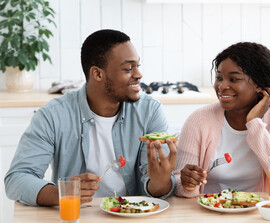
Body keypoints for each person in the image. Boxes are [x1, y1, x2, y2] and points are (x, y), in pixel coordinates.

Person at [4, 29, 176, 206]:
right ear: (98, 74)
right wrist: (63, 193)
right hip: (76, 219)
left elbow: (158, 188)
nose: (138, 75)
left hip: (133, 217)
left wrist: (161, 182)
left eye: (138, 66)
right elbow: (17, 179)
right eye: (128, 68)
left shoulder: (150, 111)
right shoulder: (52, 116)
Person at [174, 42, 270, 197]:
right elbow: (178, 184)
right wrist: (187, 185)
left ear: (259, 85)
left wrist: (254, 123)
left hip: (259, 214)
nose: (222, 86)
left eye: (233, 79)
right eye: (219, 78)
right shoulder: (199, 120)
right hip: (210, 212)